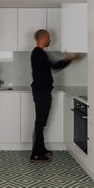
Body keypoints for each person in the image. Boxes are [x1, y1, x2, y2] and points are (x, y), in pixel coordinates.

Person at [30, 29, 81, 162]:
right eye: (48, 37)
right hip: (42, 92)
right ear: (42, 38)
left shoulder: (39, 53)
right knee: (40, 122)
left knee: (41, 122)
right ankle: (36, 153)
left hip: (42, 91)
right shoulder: (38, 53)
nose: (50, 39)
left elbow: (53, 66)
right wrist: (70, 58)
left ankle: (41, 149)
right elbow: (55, 66)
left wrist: (68, 59)